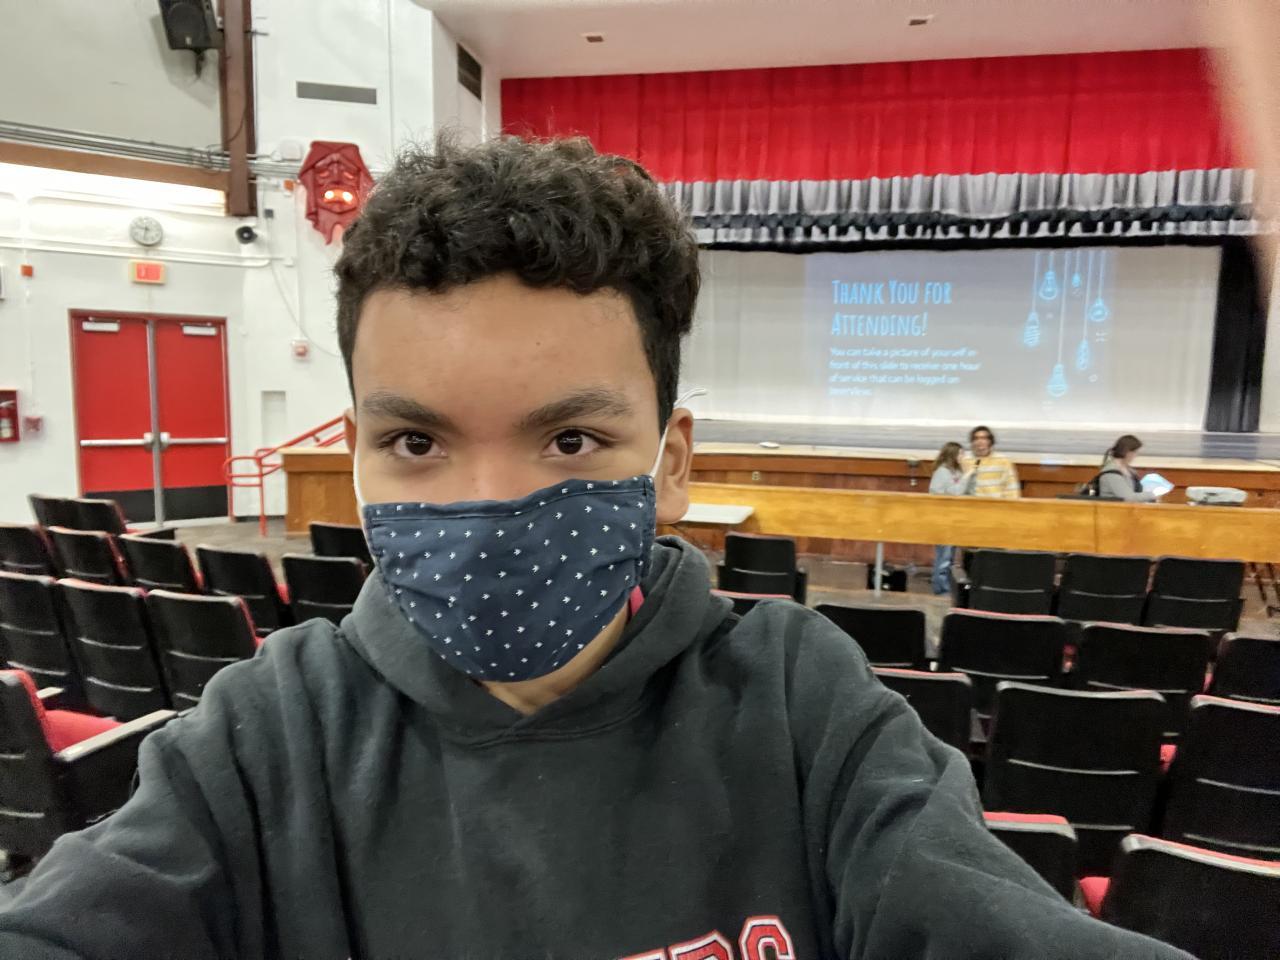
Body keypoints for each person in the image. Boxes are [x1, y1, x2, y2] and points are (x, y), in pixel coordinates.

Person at [0, 137, 1191, 959]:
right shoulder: (267, 739)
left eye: (569, 439)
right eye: (415, 441)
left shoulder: (801, 710)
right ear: (356, 448)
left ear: (669, 462)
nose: (488, 502)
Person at [928, 441, 970, 594]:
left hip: (953, 519)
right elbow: (955, 492)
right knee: (944, 557)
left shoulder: (956, 472)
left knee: (950, 557)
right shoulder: (943, 472)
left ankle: (946, 586)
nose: (964, 457)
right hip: (943, 520)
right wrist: (967, 475)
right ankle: (941, 588)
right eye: (961, 454)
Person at [961, 424, 1021, 499]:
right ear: (972, 442)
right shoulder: (964, 461)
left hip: (996, 503)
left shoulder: (1003, 460)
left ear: (990, 441)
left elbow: (1011, 487)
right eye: (976, 438)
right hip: (971, 503)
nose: (979, 441)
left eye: (983, 438)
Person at [1094, 434, 1158, 502]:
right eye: (1135, 452)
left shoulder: (1129, 471)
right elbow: (1128, 498)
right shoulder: (1111, 473)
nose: (1136, 455)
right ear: (1128, 452)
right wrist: (1152, 495)